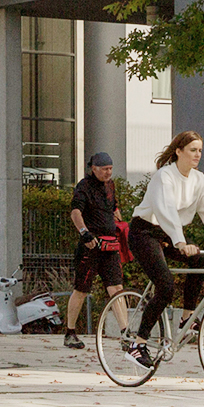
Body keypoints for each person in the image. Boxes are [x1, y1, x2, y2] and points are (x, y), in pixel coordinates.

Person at [127, 130, 204, 368]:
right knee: (165, 285)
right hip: (144, 233)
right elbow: (166, 210)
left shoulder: (198, 180)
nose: (197, 155)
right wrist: (180, 241)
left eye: (200, 150)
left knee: (200, 262)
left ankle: (187, 319)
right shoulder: (164, 177)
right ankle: (137, 344)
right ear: (178, 151)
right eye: (192, 150)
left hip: (168, 234)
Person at [63, 149, 128, 350]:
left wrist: (117, 216)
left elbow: (113, 207)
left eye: (110, 169)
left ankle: (126, 333)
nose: (108, 173)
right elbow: (75, 212)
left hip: (109, 247)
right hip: (90, 247)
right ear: (93, 168)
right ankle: (70, 332)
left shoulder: (110, 186)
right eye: (104, 169)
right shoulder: (84, 187)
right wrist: (84, 232)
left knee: (117, 289)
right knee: (81, 289)